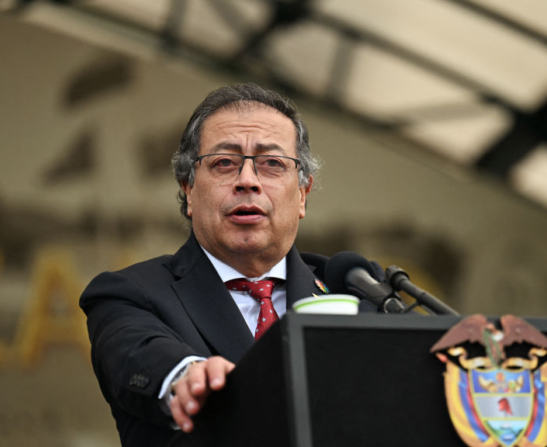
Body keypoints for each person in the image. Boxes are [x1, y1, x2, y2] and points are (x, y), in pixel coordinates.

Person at [79, 83, 377, 447]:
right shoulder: (128, 294)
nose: (247, 181)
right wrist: (188, 378)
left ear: (302, 194)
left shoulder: (356, 292)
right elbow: (138, 353)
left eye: (271, 163)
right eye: (224, 163)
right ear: (188, 189)